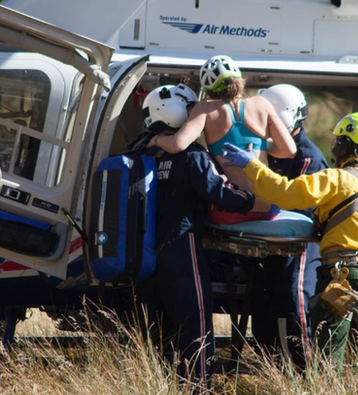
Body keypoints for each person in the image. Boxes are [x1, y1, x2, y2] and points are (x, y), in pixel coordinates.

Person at [220, 112, 358, 379]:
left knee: (328, 356)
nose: (334, 146)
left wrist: (251, 165)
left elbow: (286, 193)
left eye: (338, 141)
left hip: (345, 277)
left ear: (348, 145)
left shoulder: (336, 178)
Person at [131, 83, 257, 388]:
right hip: (182, 251)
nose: (193, 119)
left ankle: (162, 385)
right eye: (189, 111)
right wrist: (250, 198)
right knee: (195, 323)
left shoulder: (141, 151)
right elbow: (221, 194)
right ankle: (197, 387)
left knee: (160, 330)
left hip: (145, 257)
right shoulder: (191, 155)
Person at [151, 55, 296, 214]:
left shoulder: (206, 108)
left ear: (208, 89)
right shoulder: (262, 103)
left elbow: (177, 145)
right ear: (239, 79)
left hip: (237, 209)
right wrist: (258, 147)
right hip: (268, 208)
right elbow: (289, 150)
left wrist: (156, 139)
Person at [250, 84, 328, 367]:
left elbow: (303, 205)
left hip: (300, 242)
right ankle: (271, 365)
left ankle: (305, 368)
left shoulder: (308, 157)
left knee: (296, 300)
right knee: (264, 301)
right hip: (269, 241)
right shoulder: (266, 148)